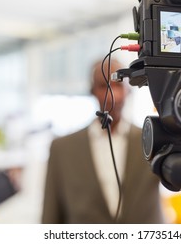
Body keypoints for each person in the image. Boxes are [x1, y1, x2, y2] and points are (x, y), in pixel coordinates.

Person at [41, 58, 165, 224]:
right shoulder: (62, 148)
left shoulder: (154, 139)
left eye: (118, 85)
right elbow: (50, 215)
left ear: (129, 90)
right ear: (92, 91)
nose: (112, 94)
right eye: (103, 86)